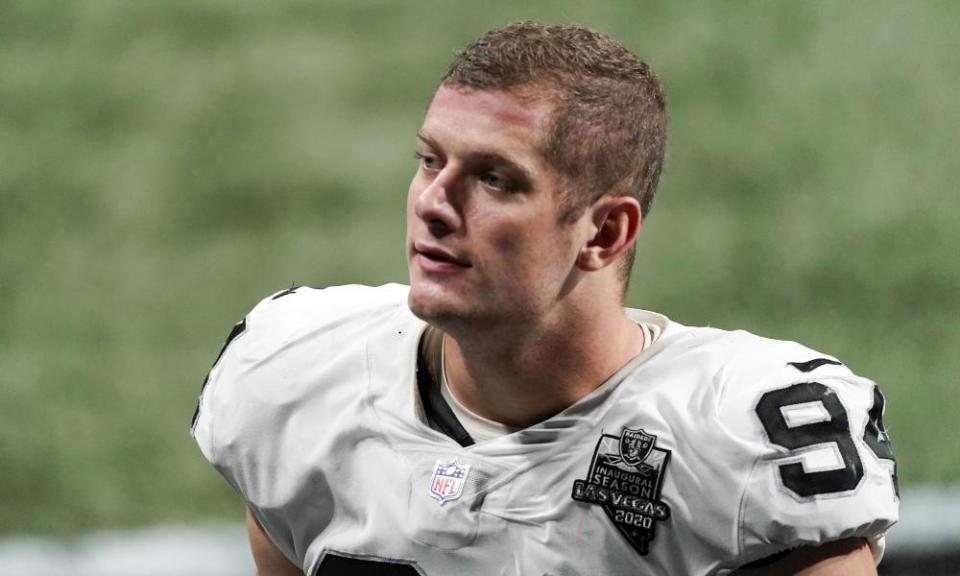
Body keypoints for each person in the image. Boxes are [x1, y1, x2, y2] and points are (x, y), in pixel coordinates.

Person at [191, 22, 898, 576]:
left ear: (604, 231)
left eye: (496, 178)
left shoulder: (744, 440)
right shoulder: (300, 375)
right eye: (430, 161)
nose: (434, 204)